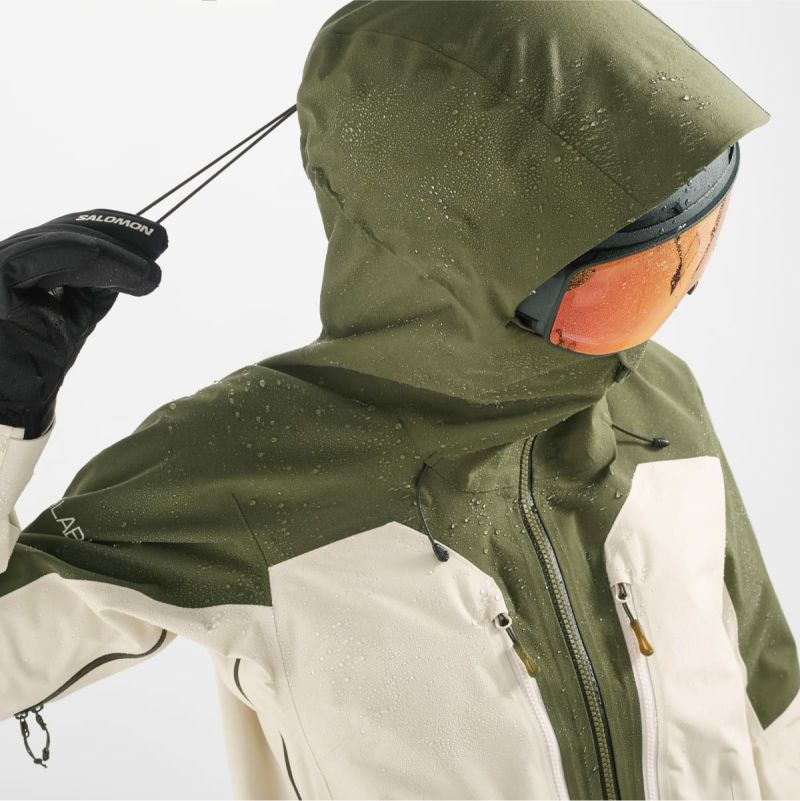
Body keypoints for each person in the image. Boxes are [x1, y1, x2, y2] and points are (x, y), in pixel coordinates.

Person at [1, 1, 798, 798]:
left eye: (691, 254)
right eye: (622, 289)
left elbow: (773, 701)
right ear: (452, 265)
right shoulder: (249, 469)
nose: (661, 317)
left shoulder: (656, 400)